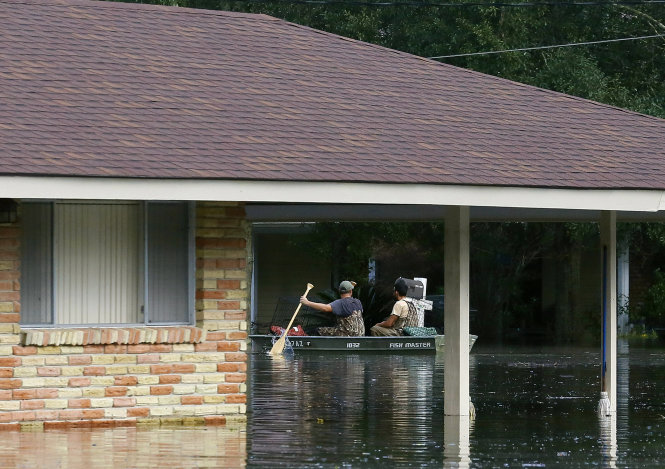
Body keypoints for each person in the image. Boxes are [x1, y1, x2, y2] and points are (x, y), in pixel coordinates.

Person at [300, 280, 365, 336]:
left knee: (317, 331)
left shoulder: (340, 303)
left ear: (339, 292)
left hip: (346, 335)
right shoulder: (357, 302)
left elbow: (325, 308)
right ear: (351, 291)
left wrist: (307, 302)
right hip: (360, 334)